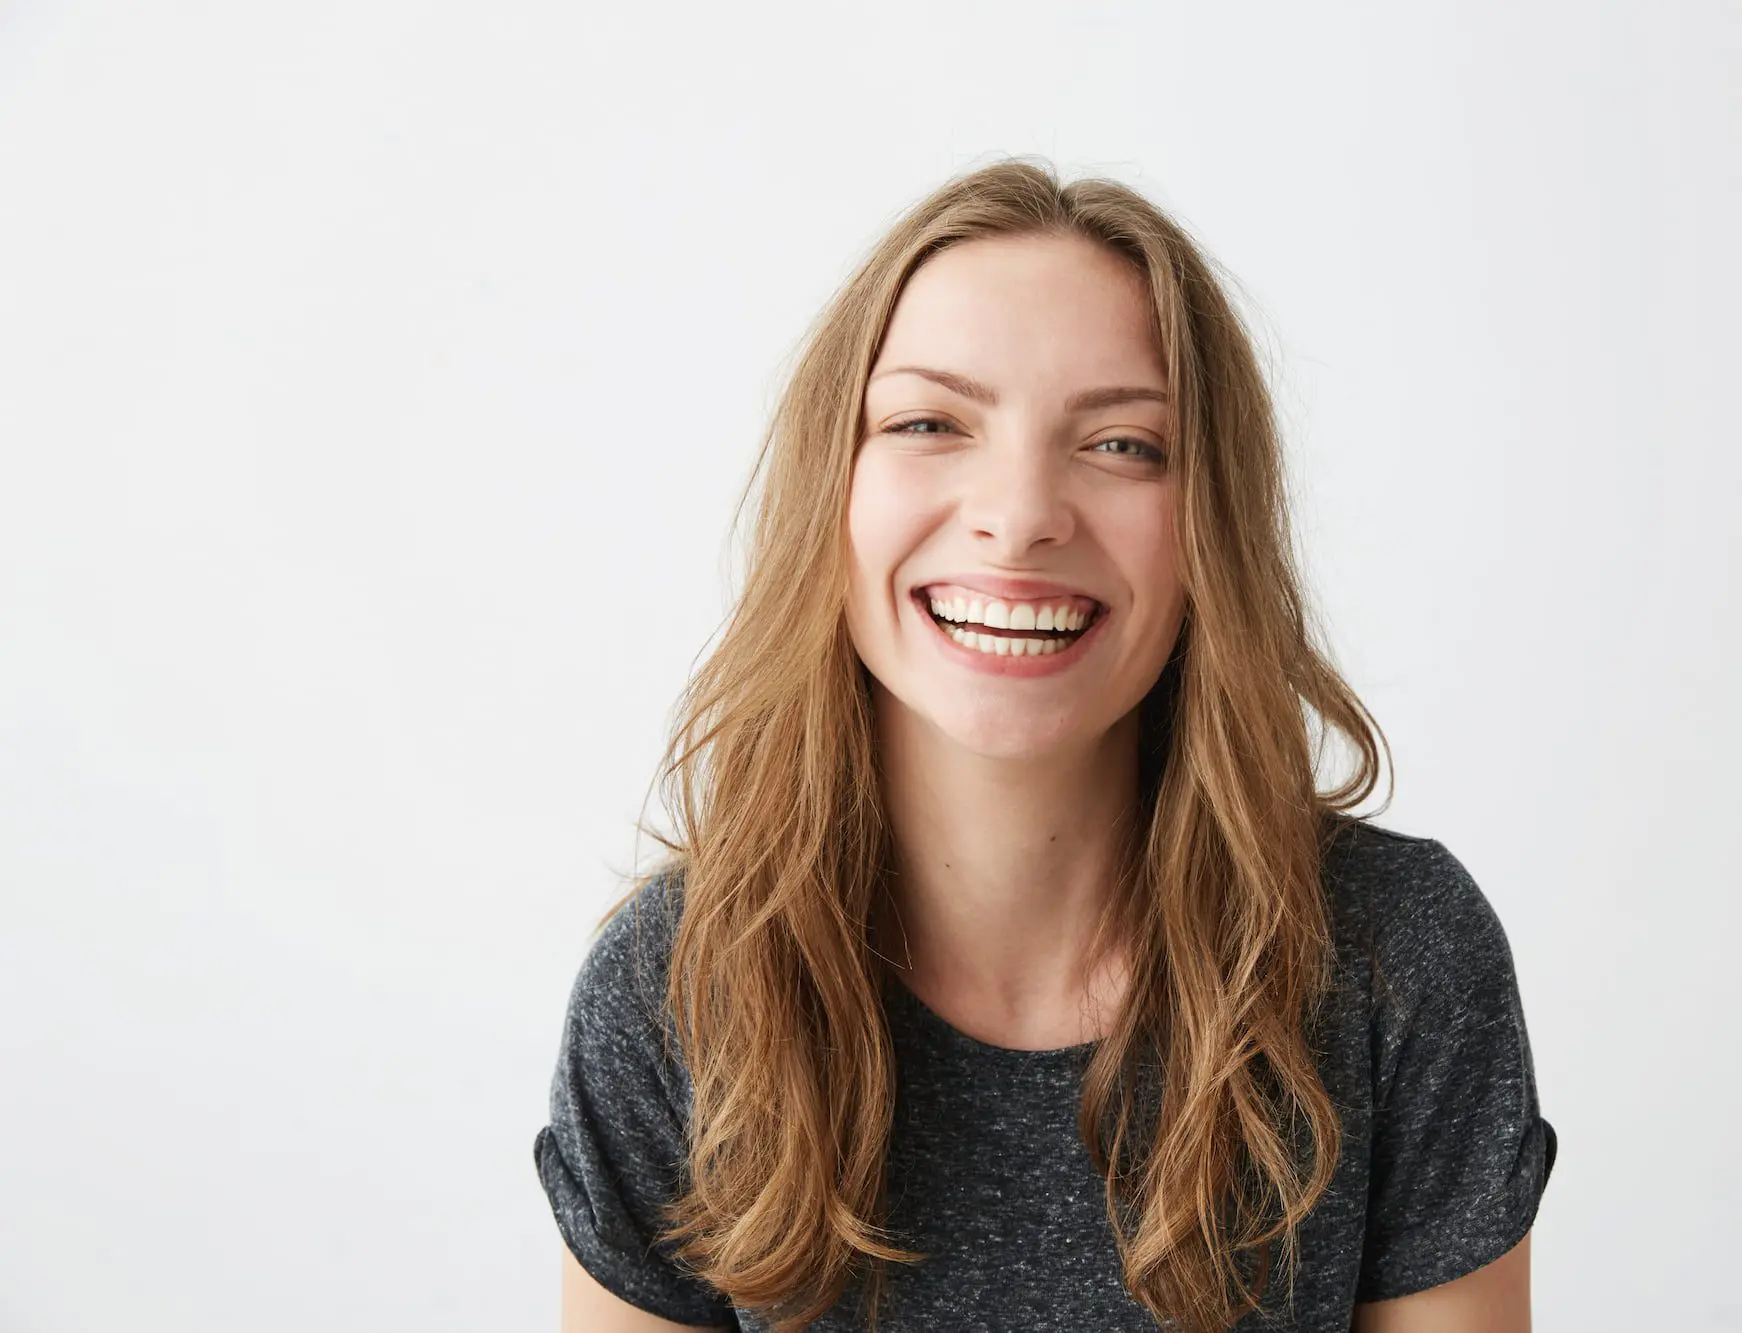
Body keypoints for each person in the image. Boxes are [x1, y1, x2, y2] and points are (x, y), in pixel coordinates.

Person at [533, 159, 1556, 1333]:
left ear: (1208, 529)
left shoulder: (1394, 958)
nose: (1018, 515)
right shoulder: (678, 987)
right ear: (833, 490)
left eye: (1122, 444)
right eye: (928, 423)